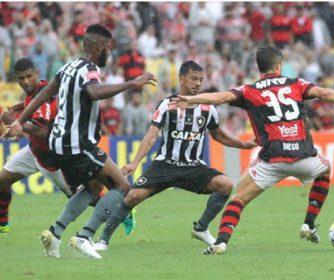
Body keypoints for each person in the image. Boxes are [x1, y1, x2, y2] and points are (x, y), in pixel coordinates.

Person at [170, 45, 334, 255]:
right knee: (325, 169)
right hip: (304, 156)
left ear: (259, 67)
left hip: (272, 161)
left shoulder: (250, 90)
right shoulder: (296, 84)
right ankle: (308, 223)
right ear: (279, 65)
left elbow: (221, 97)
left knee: (238, 199)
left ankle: (221, 242)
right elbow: (325, 93)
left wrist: (191, 99)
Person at [69, 60, 257, 256]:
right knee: (132, 196)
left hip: (193, 167)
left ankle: (200, 228)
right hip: (164, 165)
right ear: (182, 78)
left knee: (225, 184)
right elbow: (151, 136)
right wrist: (135, 162)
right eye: (194, 79)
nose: (198, 83)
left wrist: (242, 144)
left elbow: (218, 135)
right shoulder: (168, 105)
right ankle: (103, 239)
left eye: (200, 80)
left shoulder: (207, 108)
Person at [2, 24, 156, 259]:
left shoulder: (68, 66)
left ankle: (55, 233)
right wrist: (130, 84)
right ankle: (85, 236)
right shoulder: (89, 69)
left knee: (93, 188)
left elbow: (43, 95)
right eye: (108, 48)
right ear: (97, 46)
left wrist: (18, 121)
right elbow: (93, 92)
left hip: (58, 144)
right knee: (123, 188)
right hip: (78, 144)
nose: (109, 52)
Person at [0, 58, 73, 234]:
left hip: (53, 157)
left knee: (82, 197)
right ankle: (2, 224)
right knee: (2, 181)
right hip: (34, 151)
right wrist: (17, 109)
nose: (25, 82)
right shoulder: (38, 91)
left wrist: (15, 122)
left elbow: (42, 131)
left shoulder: (44, 95)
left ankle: (122, 208)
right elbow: (30, 106)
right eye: (21, 78)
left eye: (29, 76)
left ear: (37, 73)